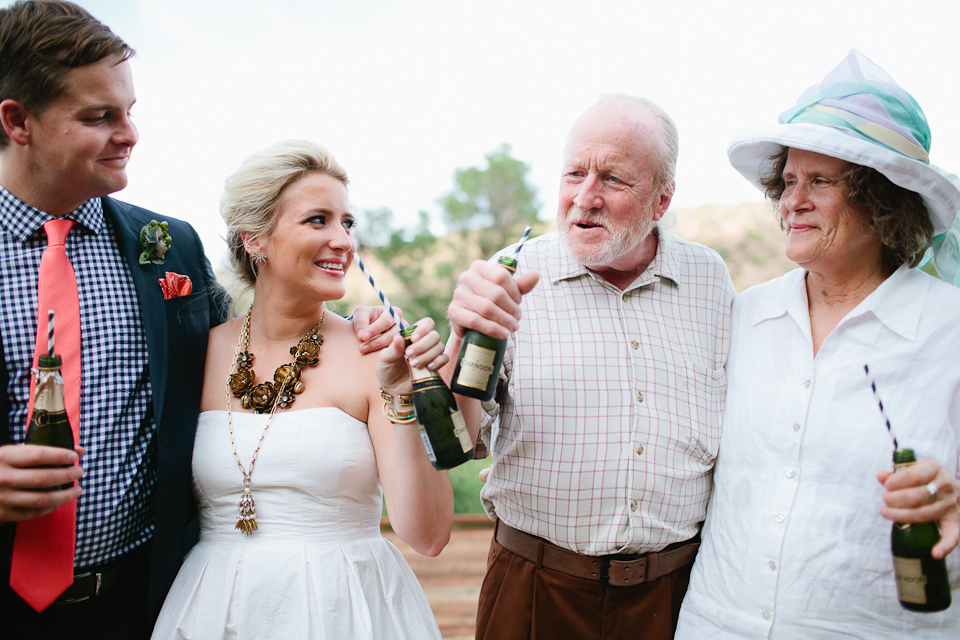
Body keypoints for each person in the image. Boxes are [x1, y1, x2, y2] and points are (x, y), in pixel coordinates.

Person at [0, 3, 397, 637]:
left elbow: (260, 335)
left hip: (146, 600)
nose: (129, 133)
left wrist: (363, 336)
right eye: (99, 116)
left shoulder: (168, 247)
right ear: (18, 121)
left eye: (130, 111)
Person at [676, 51, 960, 638]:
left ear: (881, 199)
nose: (792, 201)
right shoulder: (745, 314)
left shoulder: (949, 329)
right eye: (787, 182)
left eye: (820, 182)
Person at [444, 94, 736, 639]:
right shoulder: (510, 278)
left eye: (613, 179)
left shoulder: (709, 279)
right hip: (535, 588)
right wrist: (461, 340)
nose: (585, 197)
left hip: (677, 594)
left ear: (660, 200)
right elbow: (457, 439)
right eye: (574, 173)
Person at [151, 140, 453, 640]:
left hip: (348, 610)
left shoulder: (375, 355)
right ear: (255, 239)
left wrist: (404, 394)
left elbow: (429, 535)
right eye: (319, 220)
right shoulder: (196, 354)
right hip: (214, 610)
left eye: (347, 223)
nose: (343, 240)